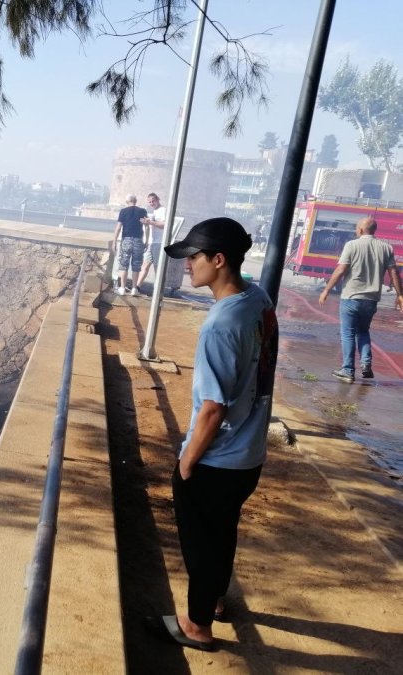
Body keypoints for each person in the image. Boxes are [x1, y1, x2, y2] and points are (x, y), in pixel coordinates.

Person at [145, 217, 278, 652]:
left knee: (201, 544)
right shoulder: (258, 298)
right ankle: (216, 601)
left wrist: (186, 463)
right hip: (249, 455)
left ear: (218, 261)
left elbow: (212, 408)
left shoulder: (220, 325)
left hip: (217, 459)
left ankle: (197, 626)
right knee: (222, 531)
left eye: (194, 258)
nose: (188, 266)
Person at [318, 216, 403, 383]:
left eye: (357, 228)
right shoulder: (386, 248)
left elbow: (341, 269)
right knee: (363, 331)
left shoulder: (352, 245)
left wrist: (326, 289)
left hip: (351, 297)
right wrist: (399, 294)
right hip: (371, 300)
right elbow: (393, 272)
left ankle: (348, 370)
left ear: (361, 230)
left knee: (348, 333)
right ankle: (366, 364)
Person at [111, 194, 148, 296]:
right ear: (135, 201)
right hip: (138, 240)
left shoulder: (123, 211)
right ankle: (134, 289)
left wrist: (114, 242)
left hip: (126, 240)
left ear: (127, 202)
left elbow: (118, 228)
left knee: (124, 264)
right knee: (136, 265)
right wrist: (147, 241)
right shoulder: (142, 211)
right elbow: (147, 227)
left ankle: (122, 288)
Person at [137, 192, 166, 289]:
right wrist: (146, 222)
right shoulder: (153, 212)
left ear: (158, 199)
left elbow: (164, 225)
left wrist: (150, 222)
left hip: (159, 243)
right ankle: (137, 287)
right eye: (150, 202)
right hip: (151, 243)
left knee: (157, 268)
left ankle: (158, 289)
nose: (152, 203)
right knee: (144, 266)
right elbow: (150, 226)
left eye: (153, 201)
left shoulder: (163, 210)